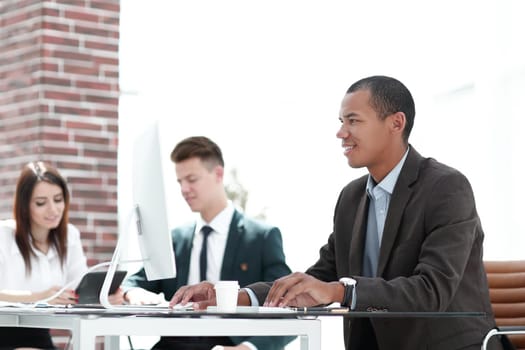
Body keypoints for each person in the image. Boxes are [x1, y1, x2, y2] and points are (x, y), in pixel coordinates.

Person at [170, 76, 505, 350]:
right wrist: (236, 296)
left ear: (396, 123)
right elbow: (321, 276)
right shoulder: (352, 198)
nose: (341, 132)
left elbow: (431, 291)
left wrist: (341, 291)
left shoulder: (447, 188)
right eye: (341, 122)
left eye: (353, 121)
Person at [121, 136, 294, 350]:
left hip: (230, 344)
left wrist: (249, 348)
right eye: (180, 181)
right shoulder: (176, 240)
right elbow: (131, 283)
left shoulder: (261, 237)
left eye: (191, 179)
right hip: (174, 344)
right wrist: (133, 293)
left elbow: (288, 305)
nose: (184, 189)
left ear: (218, 174)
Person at [0, 161, 88, 349]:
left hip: (37, 335)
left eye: (58, 200)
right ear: (24, 206)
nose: (53, 210)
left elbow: (80, 285)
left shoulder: (69, 236)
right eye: (41, 203)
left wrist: (99, 297)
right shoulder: (3, 235)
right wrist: (39, 296)